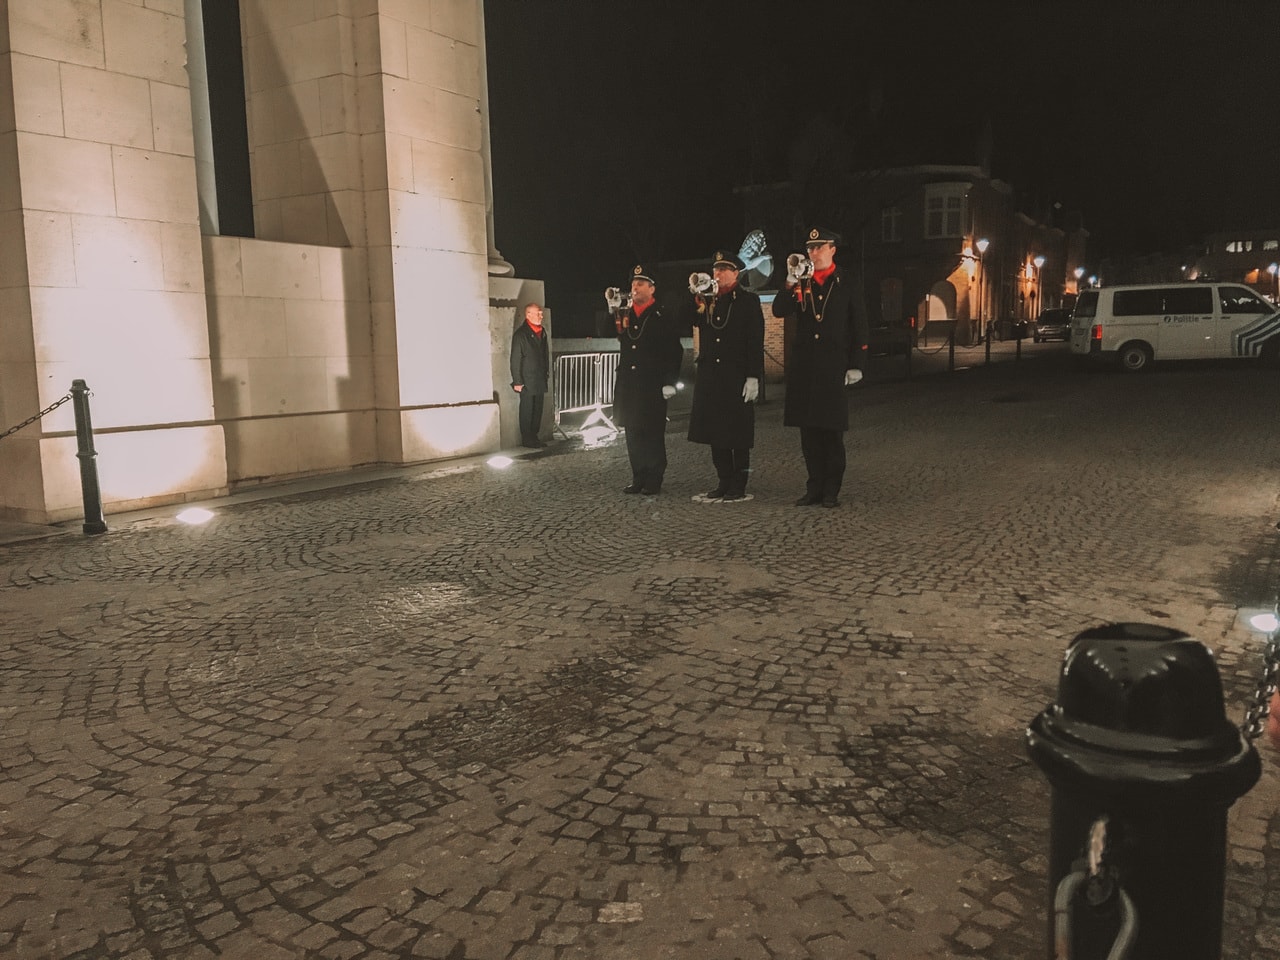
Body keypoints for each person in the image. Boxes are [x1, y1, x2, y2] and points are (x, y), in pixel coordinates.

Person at [770, 226, 869, 508]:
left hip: (833, 366)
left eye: (819, 247)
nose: (814, 252)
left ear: (832, 249)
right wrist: (790, 280)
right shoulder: (803, 280)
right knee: (809, 433)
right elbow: (779, 310)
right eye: (810, 248)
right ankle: (813, 486)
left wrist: (857, 364)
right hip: (805, 367)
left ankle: (831, 489)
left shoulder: (847, 280)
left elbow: (859, 323)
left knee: (831, 432)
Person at [687, 250, 764, 501]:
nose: (717, 274)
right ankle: (723, 480)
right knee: (716, 433)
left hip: (736, 375)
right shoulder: (708, 300)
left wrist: (753, 376)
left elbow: (754, 340)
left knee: (738, 434)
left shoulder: (747, 301)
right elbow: (687, 320)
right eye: (715, 269)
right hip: (712, 376)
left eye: (723, 270)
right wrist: (696, 299)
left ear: (736, 273)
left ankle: (739, 484)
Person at [609, 265, 682, 495]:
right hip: (629, 383)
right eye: (633, 284)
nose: (634, 288)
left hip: (652, 383)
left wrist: (670, 381)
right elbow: (608, 332)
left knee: (651, 433)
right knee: (632, 433)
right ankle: (638, 476)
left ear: (652, 288)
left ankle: (654, 477)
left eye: (640, 284)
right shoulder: (626, 312)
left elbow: (674, 350)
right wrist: (613, 310)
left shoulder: (661, 314)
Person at [510, 302, 550, 448]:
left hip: (539, 378)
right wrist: (517, 381)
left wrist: (546, 373)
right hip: (527, 380)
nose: (541, 315)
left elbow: (545, 355)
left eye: (541, 313)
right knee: (527, 410)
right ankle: (527, 438)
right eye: (538, 313)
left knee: (537, 409)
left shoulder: (542, 332)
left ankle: (534, 436)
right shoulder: (521, 335)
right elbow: (515, 359)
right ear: (529, 315)